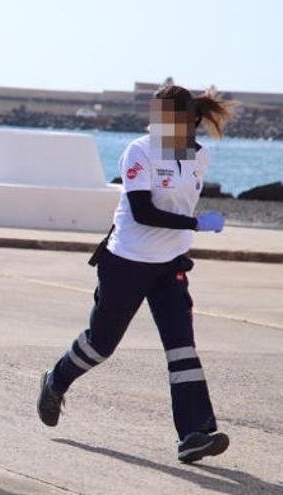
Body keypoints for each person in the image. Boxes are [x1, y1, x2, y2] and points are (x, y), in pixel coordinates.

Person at [36, 85, 236, 463]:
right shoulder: (139, 152)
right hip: (126, 261)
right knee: (101, 345)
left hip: (170, 265)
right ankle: (56, 381)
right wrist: (196, 222)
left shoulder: (199, 156)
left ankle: (194, 433)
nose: (159, 124)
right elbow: (143, 212)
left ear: (188, 121)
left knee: (182, 348)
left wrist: (189, 229)